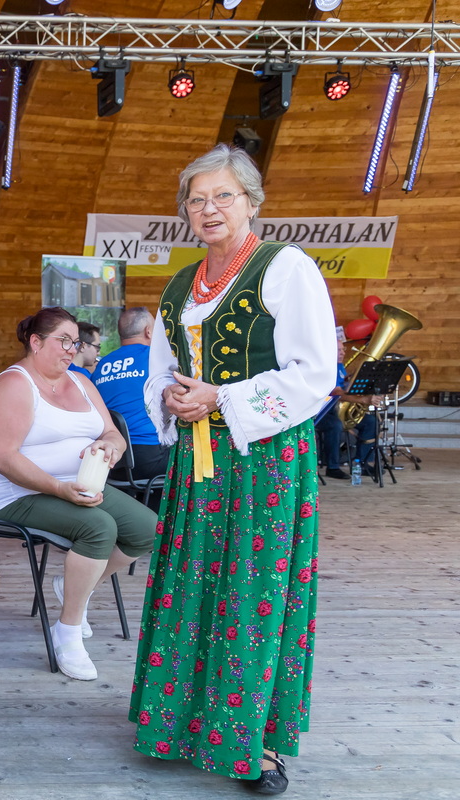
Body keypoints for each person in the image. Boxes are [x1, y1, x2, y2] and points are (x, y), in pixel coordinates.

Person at [129, 144, 336, 795]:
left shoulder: (286, 268)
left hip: (265, 461)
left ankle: (261, 745)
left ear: (250, 201)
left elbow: (315, 374)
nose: (208, 208)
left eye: (223, 195)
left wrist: (222, 398)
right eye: (196, 198)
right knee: (192, 588)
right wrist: (168, 395)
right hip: (197, 461)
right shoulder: (178, 285)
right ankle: (183, 723)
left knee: (253, 596)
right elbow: (160, 370)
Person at [0, 306, 156, 681]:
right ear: (35, 341)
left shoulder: (81, 382)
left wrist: (111, 447)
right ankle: (68, 630)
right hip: (18, 494)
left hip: (80, 483)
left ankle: (75, 584)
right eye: (63, 341)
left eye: (75, 343)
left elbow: (113, 433)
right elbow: (0, 457)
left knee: (148, 528)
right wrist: (59, 488)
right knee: (98, 528)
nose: (71, 350)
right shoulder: (14, 384)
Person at [93, 307, 171, 500]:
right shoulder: (155, 359)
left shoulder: (103, 364)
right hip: (149, 459)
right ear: (148, 331)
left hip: (112, 461)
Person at [315, 337, 378, 479]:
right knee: (334, 425)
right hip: (322, 411)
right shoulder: (326, 367)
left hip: (338, 410)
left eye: (343, 349)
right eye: (338, 350)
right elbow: (336, 392)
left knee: (371, 422)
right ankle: (332, 467)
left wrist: (355, 379)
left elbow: (345, 388)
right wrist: (363, 399)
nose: (343, 353)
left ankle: (361, 464)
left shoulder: (339, 366)